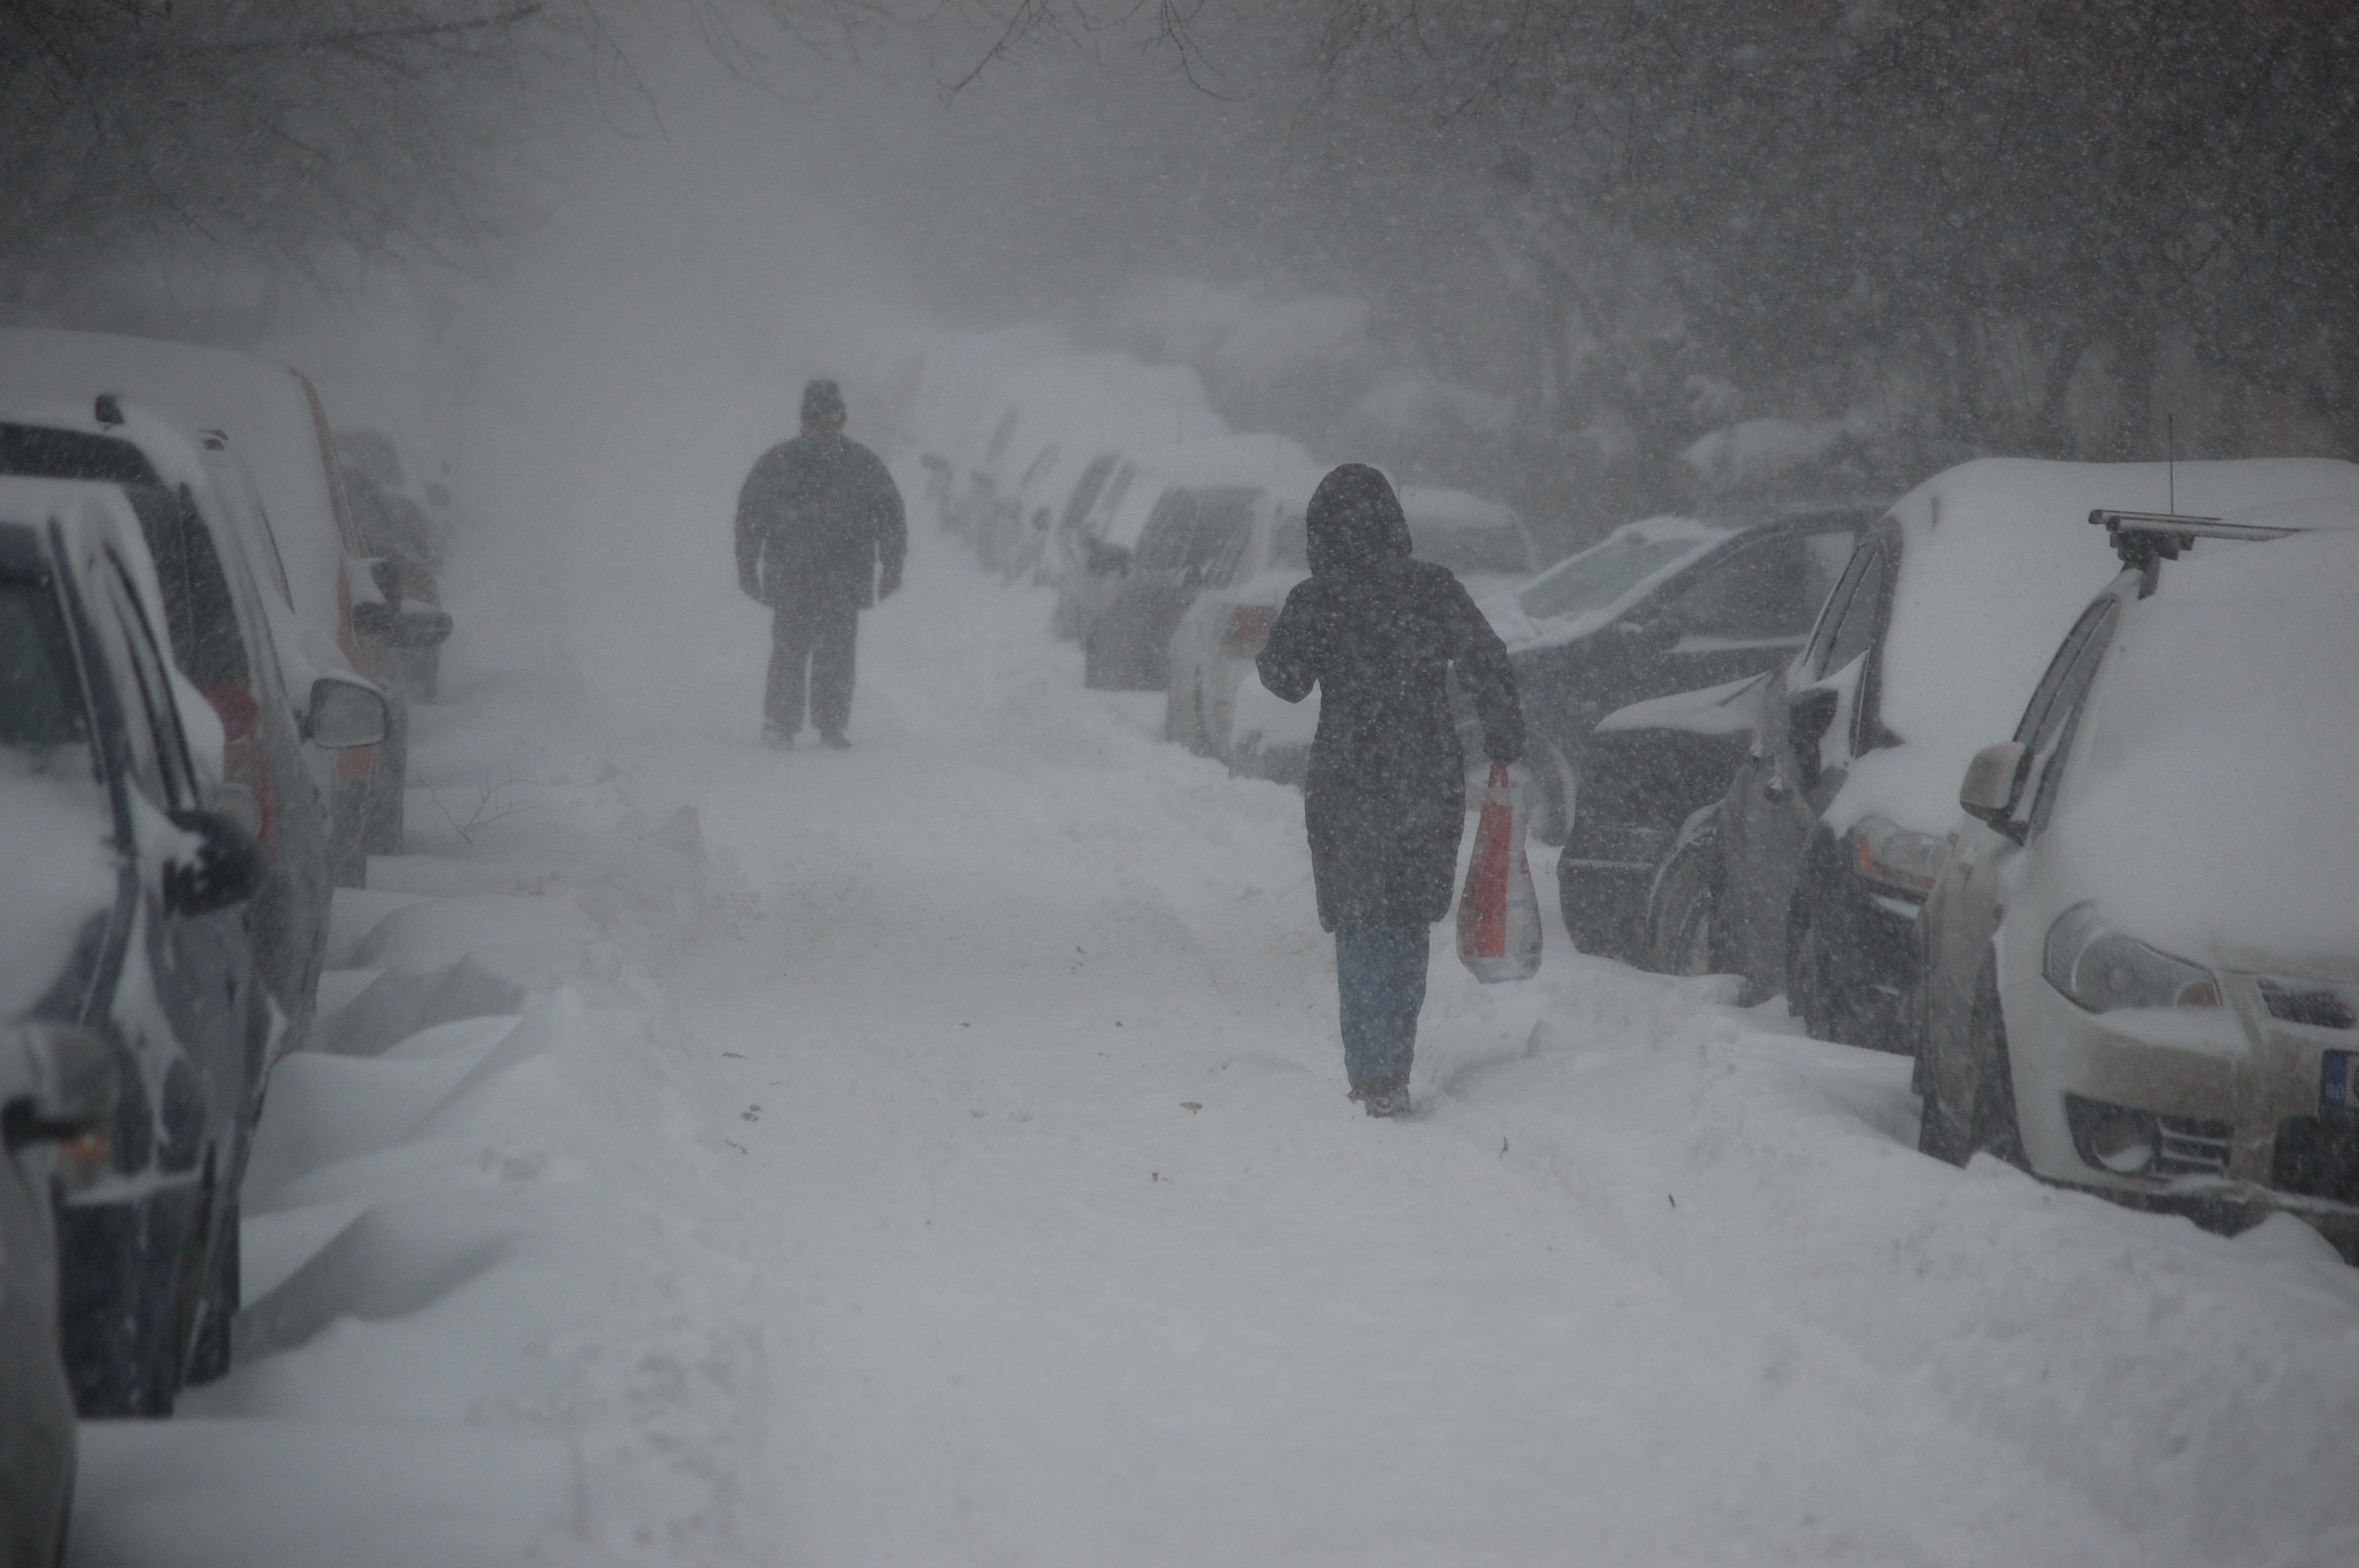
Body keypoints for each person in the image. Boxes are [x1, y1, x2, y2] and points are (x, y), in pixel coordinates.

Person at [1256, 464, 1523, 1118]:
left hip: (1349, 775)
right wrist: (1502, 733)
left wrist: (1289, 634)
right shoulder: (1432, 589)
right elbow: (1487, 657)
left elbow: (1284, 680)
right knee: (1405, 917)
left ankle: (1373, 1070)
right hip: (1423, 771)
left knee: (1360, 919)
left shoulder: (1319, 599)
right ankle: (1392, 1062)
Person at [736, 379, 907, 748]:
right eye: (816, 420)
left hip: (840, 581)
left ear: (842, 421)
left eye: (830, 421)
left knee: (837, 656)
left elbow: (891, 517)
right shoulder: (781, 464)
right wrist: (747, 567)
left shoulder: (862, 466)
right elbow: (750, 517)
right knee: (790, 651)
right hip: (795, 577)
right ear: (803, 421)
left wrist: (893, 565)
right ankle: (781, 722)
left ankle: (831, 726)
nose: (823, 429)